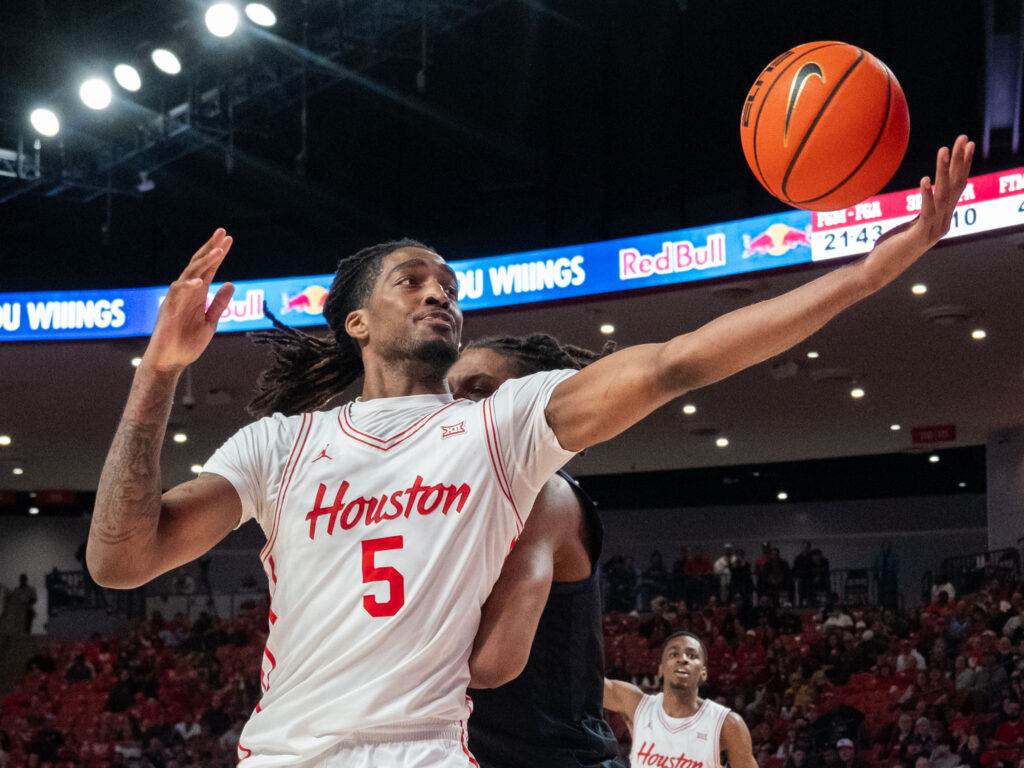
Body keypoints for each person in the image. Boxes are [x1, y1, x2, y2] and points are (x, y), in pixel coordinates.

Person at [86, 136, 974, 766]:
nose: (441, 293)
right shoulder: (279, 446)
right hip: (286, 749)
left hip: (428, 750)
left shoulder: (501, 426)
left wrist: (870, 269)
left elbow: (678, 361)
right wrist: (157, 374)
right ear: (356, 321)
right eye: (413, 280)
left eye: (450, 285)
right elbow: (121, 562)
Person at [445, 333, 626, 768]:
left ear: (531, 403)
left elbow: (491, 665)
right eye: (447, 395)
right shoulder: (448, 505)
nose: (455, 409)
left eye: (479, 390)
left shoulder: (544, 494)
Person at [602, 631, 756, 768]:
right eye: (674, 654)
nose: (682, 659)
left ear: (703, 674)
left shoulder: (727, 724)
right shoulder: (636, 705)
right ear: (661, 670)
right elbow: (587, 685)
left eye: (692, 655)